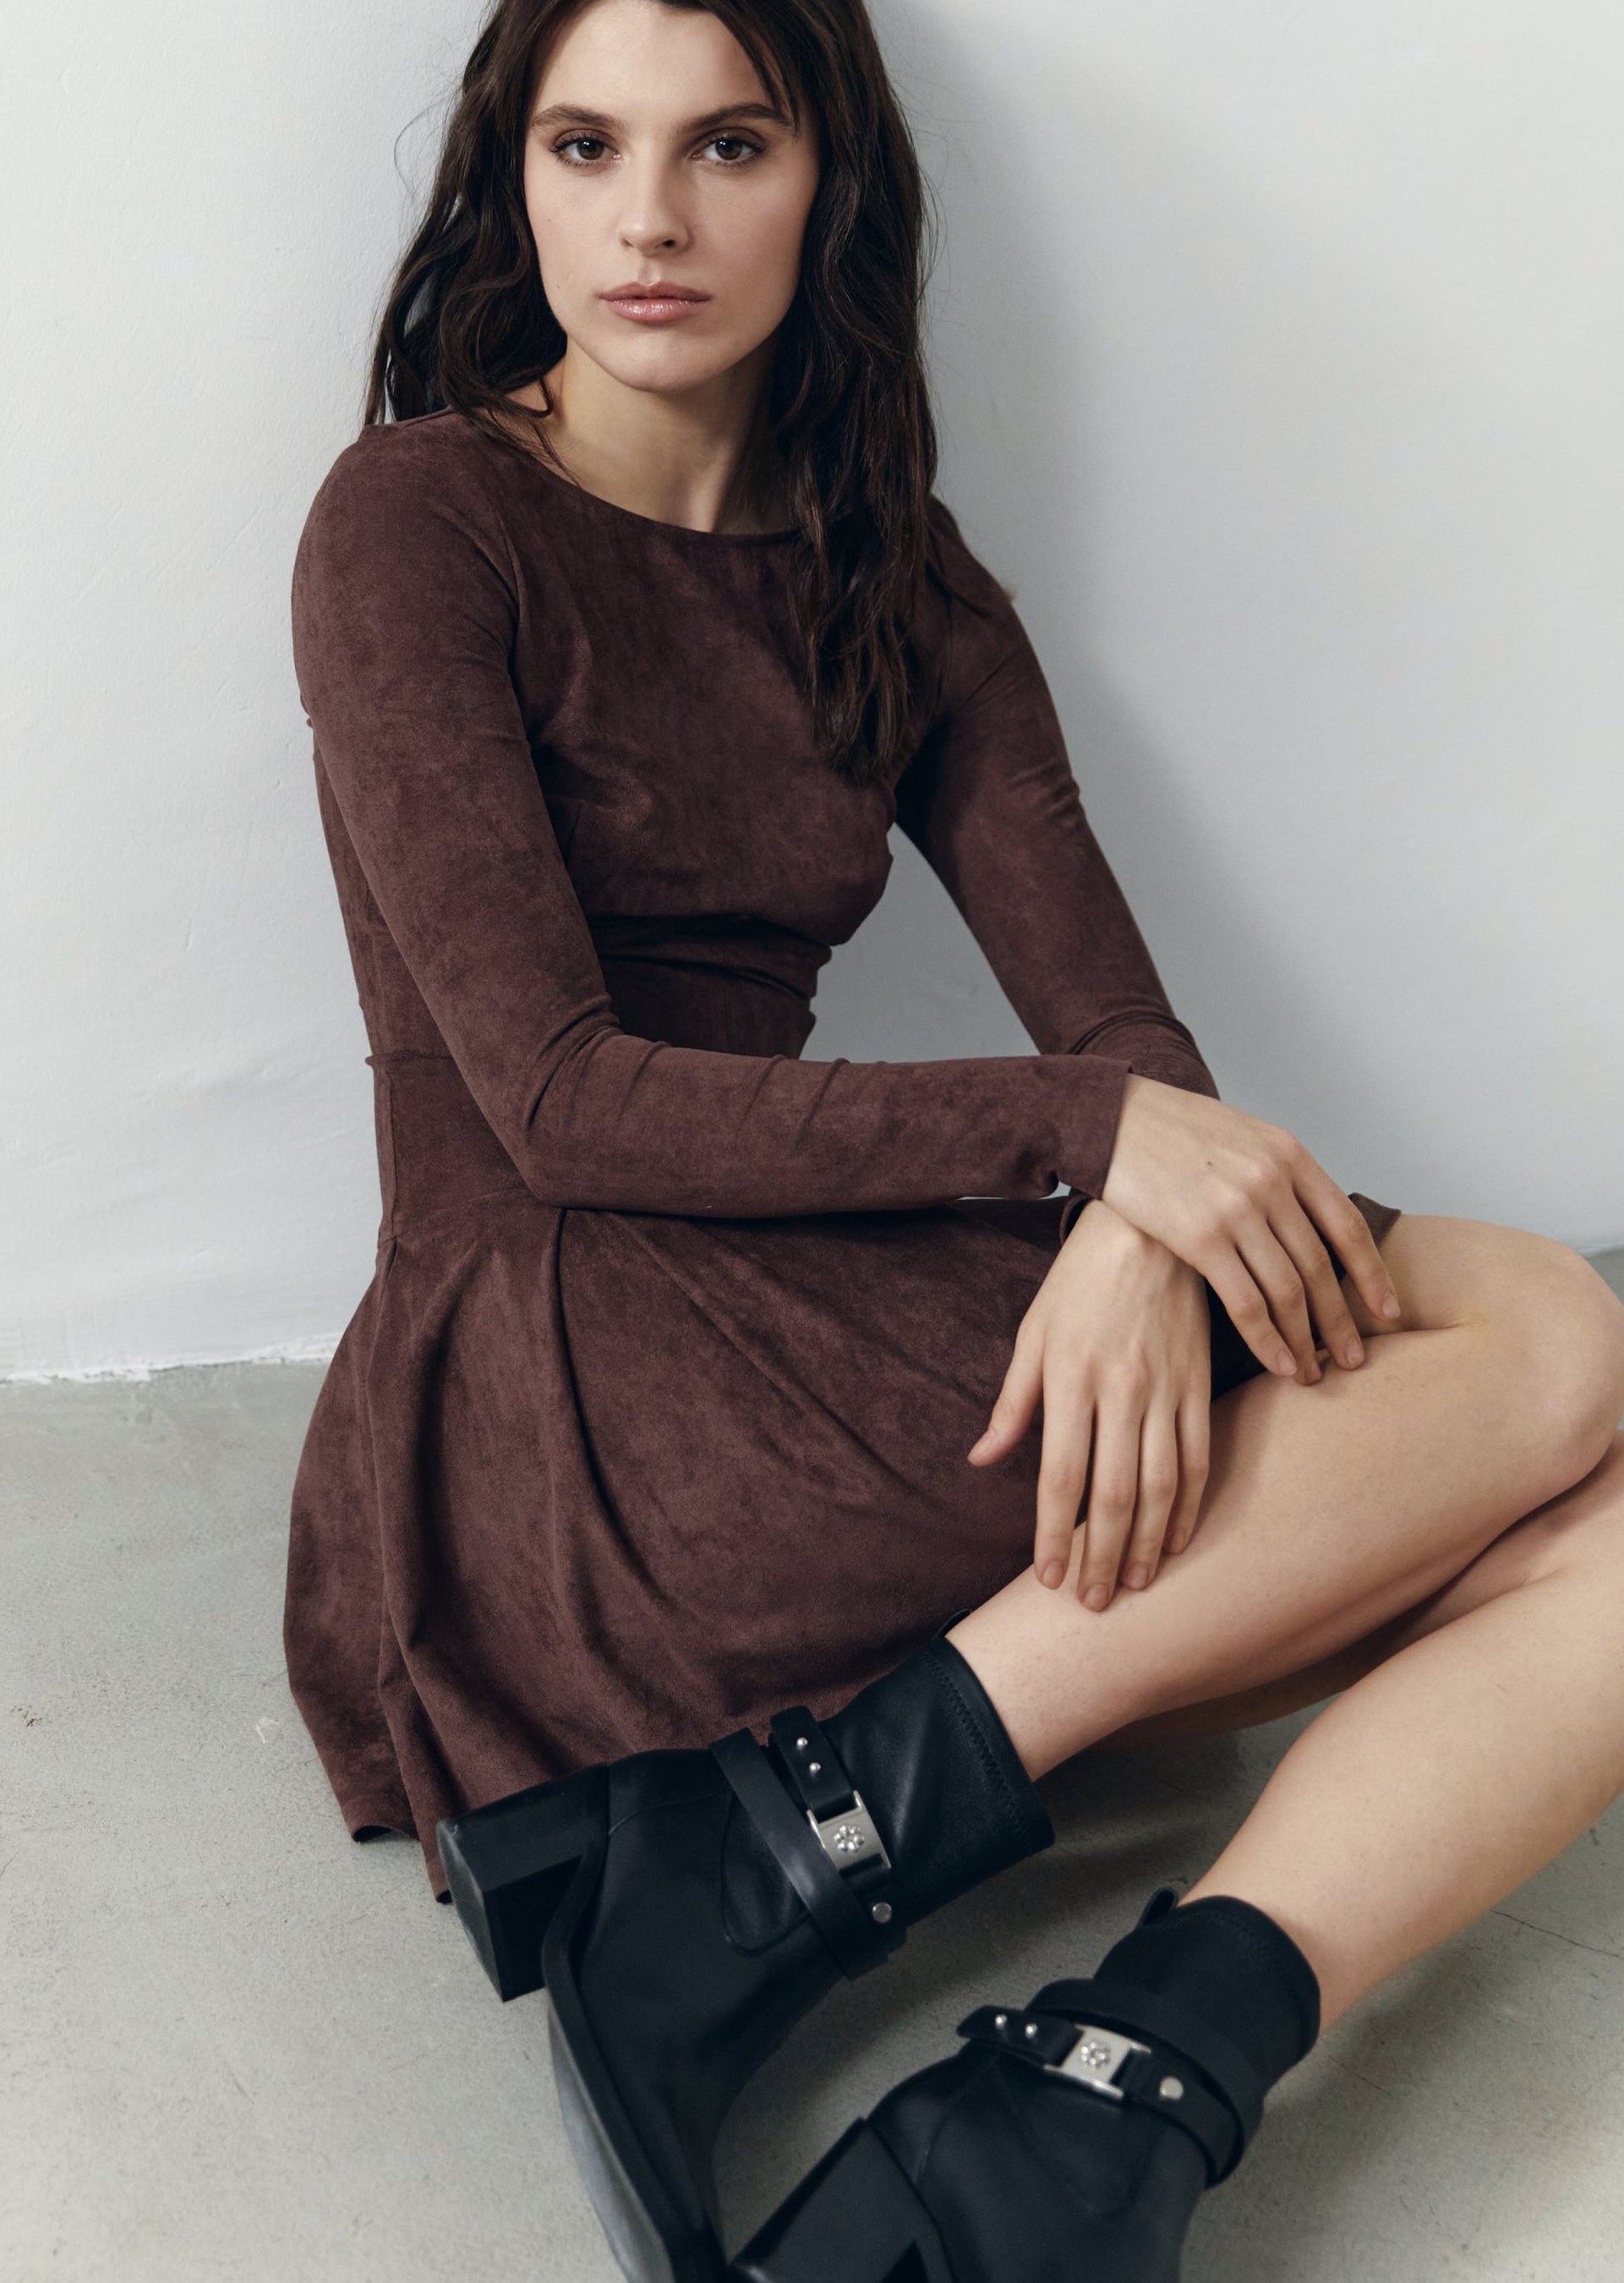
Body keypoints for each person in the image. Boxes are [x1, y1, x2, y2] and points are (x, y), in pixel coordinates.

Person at [284, 1, 1624, 2276]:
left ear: (831, 186)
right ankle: (777, 1856)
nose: (647, 218)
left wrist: (1132, 1218)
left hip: (817, 1295)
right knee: (1546, 1338)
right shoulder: (419, 520)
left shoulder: (888, 567)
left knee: (1604, 1502)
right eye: (585, 146)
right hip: (577, 1366)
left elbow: (1120, 1024)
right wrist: (1096, 1143)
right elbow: (560, 1099)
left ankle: (1088, 2098)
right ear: (511, 179)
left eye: (728, 146)